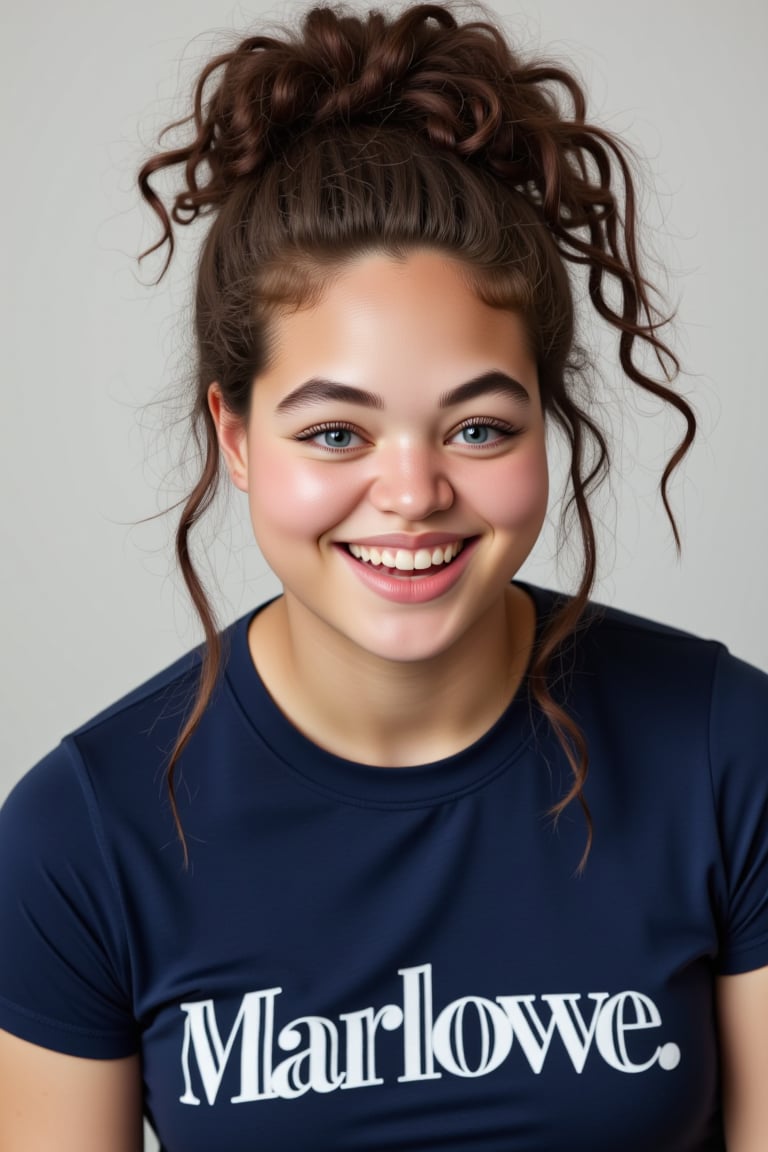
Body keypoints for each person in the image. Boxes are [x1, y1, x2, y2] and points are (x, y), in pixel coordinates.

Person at [1, 3, 766, 1149]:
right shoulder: (80, 838)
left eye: (477, 429)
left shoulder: (725, 748)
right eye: (336, 435)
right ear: (238, 435)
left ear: (545, 428)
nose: (412, 495)